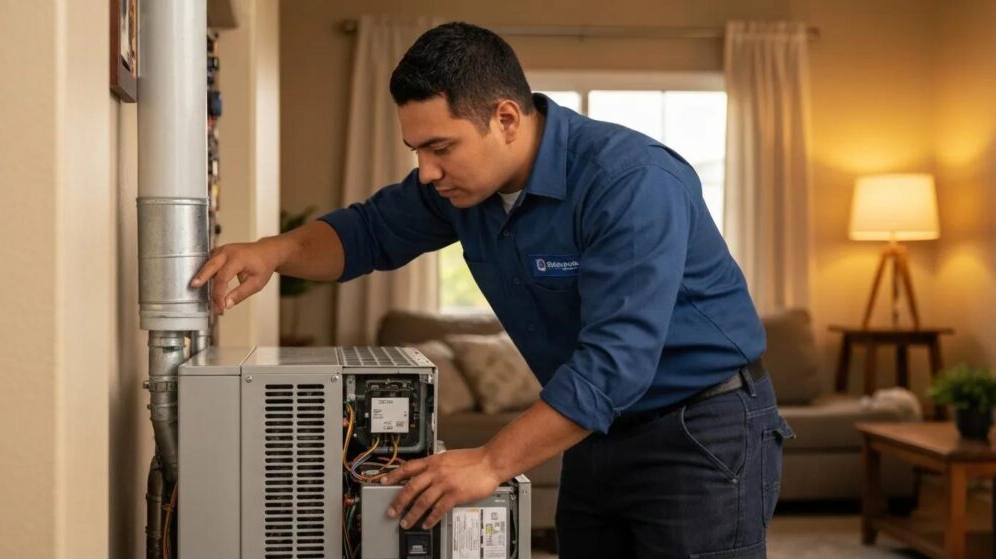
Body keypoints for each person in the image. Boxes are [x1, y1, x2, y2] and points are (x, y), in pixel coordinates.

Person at [191, 21, 794, 559]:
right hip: (594, 427)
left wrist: (489, 462)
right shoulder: (461, 190)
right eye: (417, 150)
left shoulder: (630, 182)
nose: (426, 171)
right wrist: (273, 252)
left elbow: (617, 359)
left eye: (440, 147)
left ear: (505, 118)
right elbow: (367, 232)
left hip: (701, 429)